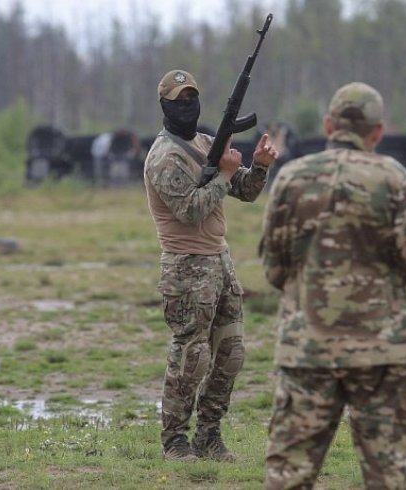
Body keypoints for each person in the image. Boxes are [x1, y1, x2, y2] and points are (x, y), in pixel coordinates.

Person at [260, 82, 406, 489]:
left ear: (328, 124)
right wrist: (391, 278)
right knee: (391, 471)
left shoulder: (291, 179)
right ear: (377, 132)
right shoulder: (395, 178)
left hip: (308, 346)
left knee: (289, 473)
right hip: (381, 347)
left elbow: (273, 267)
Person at [144, 69, 279, 462]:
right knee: (191, 355)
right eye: (178, 101)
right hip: (185, 267)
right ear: (165, 106)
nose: (187, 106)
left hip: (220, 262)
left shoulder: (206, 142)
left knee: (231, 351)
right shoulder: (163, 157)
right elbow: (190, 210)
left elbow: (245, 191)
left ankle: (208, 435)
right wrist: (223, 174)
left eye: (192, 99)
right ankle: (175, 441)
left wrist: (260, 166)